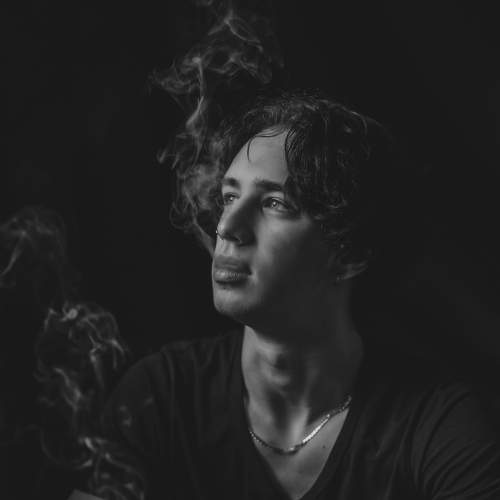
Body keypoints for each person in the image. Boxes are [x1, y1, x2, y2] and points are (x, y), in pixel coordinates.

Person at [73, 90, 500, 500]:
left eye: (275, 203)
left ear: (349, 253)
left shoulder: (436, 422)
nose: (226, 227)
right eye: (229, 196)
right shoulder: (161, 396)